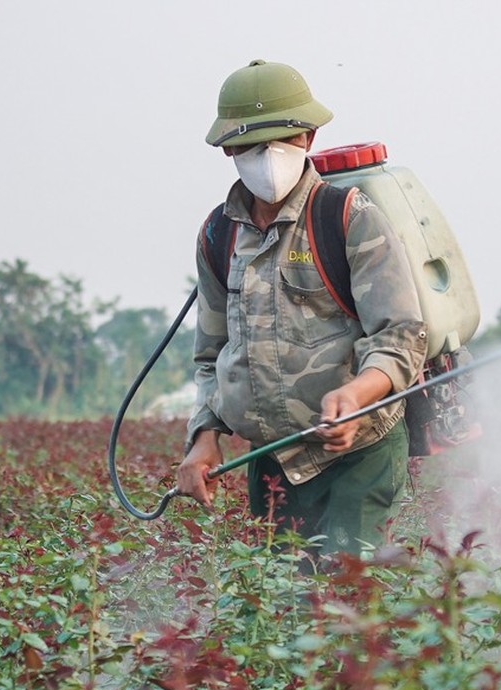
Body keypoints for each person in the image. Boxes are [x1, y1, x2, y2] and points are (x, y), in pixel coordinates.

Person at [176, 59, 427, 563]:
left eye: (282, 140)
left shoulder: (347, 217)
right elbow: (212, 355)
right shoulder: (218, 236)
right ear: (227, 149)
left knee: (346, 592)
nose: (267, 157)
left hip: (359, 451)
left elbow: (399, 335)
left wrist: (357, 394)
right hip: (273, 460)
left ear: (308, 138)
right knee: (283, 607)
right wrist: (204, 439)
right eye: (250, 145)